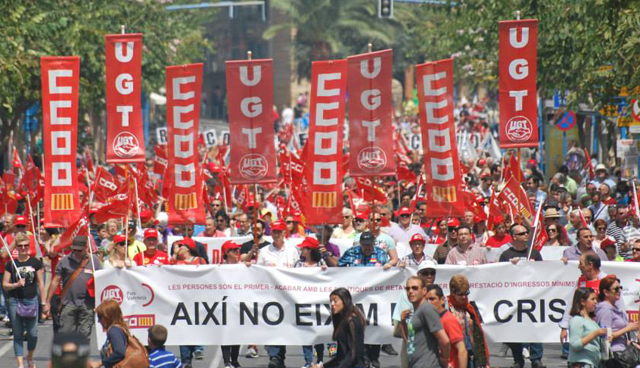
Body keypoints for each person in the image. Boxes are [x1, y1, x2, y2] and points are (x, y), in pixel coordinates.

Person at [498, 225, 545, 368]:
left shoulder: (535, 254)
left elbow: (544, 273)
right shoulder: (506, 255)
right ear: (514, 237)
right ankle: (518, 359)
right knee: (513, 329)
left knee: (534, 327)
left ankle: (536, 359)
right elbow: (499, 275)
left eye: (527, 232)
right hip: (513, 299)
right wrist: (509, 266)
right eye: (522, 233)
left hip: (532, 297)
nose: (526, 235)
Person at [45, 236, 102, 342]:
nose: (76, 252)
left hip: (87, 304)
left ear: (86, 247)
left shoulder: (94, 262)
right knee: (66, 334)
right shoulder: (64, 261)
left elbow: (102, 280)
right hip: (68, 302)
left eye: (79, 250)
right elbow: (55, 281)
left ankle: (81, 357)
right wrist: (47, 302)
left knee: (84, 335)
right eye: (74, 249)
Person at [3, 232, 46, 368]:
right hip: (14, 300)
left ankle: (30, 356)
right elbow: (5, 284)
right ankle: (20, 364)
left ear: (29, 247)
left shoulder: (35, 262)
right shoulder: (11, 264)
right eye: (20, 246)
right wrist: (15, 284)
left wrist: (44, 302)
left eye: (25, 245)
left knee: (33, 333)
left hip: (31, 300)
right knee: (18, 332)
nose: (23, 248)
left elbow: (40, 283)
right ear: (16, 248)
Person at [393, 262, 438, 368]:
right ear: (419, 274)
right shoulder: (407, 294)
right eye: (425, 273)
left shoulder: (438, 292)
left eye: (432, 272)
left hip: (432, 341)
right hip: (412, 339)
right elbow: (405, 321)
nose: (429, 276)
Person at [400, 276, 450, 368]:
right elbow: (409, 341)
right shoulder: (418, 311)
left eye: (415, 288)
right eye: (408, 288)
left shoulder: (427, 308)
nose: (410, 291)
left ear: (424, 291)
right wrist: (403, 323)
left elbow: (444, 340)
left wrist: (445, 359)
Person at [312, 288, 366, 368]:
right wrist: (323, 366)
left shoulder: (352, 321)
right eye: (331, 301)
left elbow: (354, 354)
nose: (332, 304)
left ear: (345, 301)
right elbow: (341, 356)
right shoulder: (341, 320)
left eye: (335, 301)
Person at [447, 275, 490, 368]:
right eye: (460, 294)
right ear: (452, 292)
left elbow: (479, 334)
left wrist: (484, 361)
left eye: (466, 293)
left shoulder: (469, 308)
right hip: (453, 356)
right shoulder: (447, 307)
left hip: (471, 355)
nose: (463, 297)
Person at [295, 237, 326, 368]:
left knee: (319, 332)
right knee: (305, 332)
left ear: (310, 250)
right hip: (303, 301)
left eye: (304, 248)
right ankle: (308, 361)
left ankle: (320, 359)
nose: (302, 250)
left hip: (319, 302)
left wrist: (325, 269)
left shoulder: (321, 263)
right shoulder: (298, 264)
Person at [595, 276, 640, 361]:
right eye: (616, 289)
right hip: (614, 355)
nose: (619, 291)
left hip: (622, 351)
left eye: (620, 288)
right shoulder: (606, 310)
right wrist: (628, 328)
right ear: (606, 292)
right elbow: (606, 337)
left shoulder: (614, 309)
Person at [426, 284, 468, 368]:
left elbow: (462, 350)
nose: (428, 303)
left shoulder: (448, 320)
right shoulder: (431, 319)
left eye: (432, 299)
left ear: (442, 300)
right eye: (425, 300)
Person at [567, 287, 607, 368]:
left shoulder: (591, 321)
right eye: (592, 299)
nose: (596, 302)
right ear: (582, 301)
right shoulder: (577, 320)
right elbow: (575, 345)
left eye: (596, 299)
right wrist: (595, 333)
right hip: (581, 362)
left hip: (593, 363)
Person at [220, 241, 242, 368]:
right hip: (224, 305)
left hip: (238, 304)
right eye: (234, 250)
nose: (237, 252)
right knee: (225, 333)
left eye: (237, 250)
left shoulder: (242, 266)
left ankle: (234, 359)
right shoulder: (219, 268)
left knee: (237, 333)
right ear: (227, 253)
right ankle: (226, 361)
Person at [91, 299, 130, 368]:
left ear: (108, 317)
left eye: (100, 317)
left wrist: (100, 363)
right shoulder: (120, 328)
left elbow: (119, 352)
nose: (98, 321)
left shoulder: (114, 330)